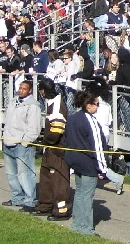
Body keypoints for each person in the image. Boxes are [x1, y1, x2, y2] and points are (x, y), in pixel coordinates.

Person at [63, 86, 108, 235]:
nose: (98, 107)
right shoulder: (90, 121)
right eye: (97, 104)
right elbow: (98, 146)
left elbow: (66, 139)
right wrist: (103, 168)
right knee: (87, 196)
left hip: (75, 162)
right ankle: (87, 228)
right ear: (89, 105)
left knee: (80, 193)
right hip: (88, 163)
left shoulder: (73, 118)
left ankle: (77, 224)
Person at [33, 77, 71, 220]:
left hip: (57, 149)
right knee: (46, 178)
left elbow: (57, 130)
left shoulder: (57, 104)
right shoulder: (51, 103)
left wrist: (45, 140)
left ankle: (61, 210)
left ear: (43, 91)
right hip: (49, 149)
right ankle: (46, 205)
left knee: (59, 181)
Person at [1, 80, 42, 212]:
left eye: (24, 89)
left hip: (21, 145)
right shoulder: (13, 101)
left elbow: (34, 128)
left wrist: (24, 142)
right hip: (8, 141)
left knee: (25, 174)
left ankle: (30, 200)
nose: (21, 90)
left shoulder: (33, 106)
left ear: (30, 91)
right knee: (11, 174)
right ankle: (17, 197)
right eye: (20, 88)